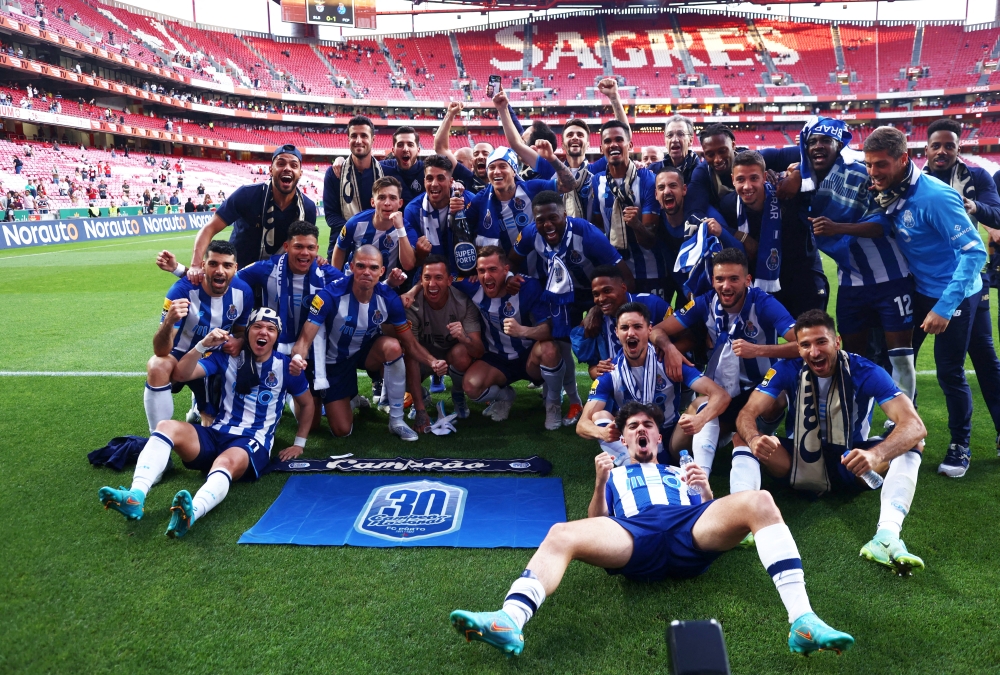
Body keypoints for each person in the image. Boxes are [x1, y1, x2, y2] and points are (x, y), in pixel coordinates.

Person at [450, 402, 855, 658]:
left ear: (658, 436)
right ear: (624, 439)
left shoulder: (679, 470)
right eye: (632, 426)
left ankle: (803, 620)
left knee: (760, 501)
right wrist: (598, 484)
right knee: (560, 533)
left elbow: (712, 518)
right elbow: (597, 520)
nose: (640, 429)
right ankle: (509, 620)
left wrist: (705, 490)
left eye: (647, 425)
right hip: (633, 533)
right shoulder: (613, 474)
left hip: (687, 528)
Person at [736, 310, 927, 574]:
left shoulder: (866, 371)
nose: (814, 352)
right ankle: (739, 519)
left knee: (913, 443)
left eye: (821, 342)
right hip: (798, 460)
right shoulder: (785, 368)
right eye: (805, 345)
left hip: (851, 462)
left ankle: (887, 536)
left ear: (837, 342)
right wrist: (755, 438)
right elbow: (747, 413)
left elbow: (915, 426)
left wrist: (876, 455)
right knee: (742, 437)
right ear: (798, 348)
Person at [98, 308, 314, 538]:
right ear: (247, 332)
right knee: (165, 427)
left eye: (271, 329)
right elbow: (181, 375)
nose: (263, 332)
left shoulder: (287, 367)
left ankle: (191, 514)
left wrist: (299, 444)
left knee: (225, 461)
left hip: (253, 440)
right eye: (258, 327)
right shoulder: (227, 356)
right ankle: (135, 496)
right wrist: (202, 346)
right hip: (216, 433)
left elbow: (308, 404)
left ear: (277, 336)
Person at [861, 126, 1000, 478]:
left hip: (955, 293)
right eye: (869, 164)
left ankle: (960, 445)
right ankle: (904, 428)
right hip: (920, 290)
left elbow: (974, 253)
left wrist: (944, 306)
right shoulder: (891, 189)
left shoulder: (935, 197)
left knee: (949, 370)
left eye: (881, 164)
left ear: (903, 159)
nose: (873, 172)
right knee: (900, 361)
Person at [780, 117, 916, 402]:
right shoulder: (805, 177)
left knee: (901, 356)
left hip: (891, 277)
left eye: (825, 141)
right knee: (852, 357)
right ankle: (858, 418)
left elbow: (882, 224)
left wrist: (837, 227)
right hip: (851, 281)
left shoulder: (860, 172)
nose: (818, 146)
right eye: (812, 142)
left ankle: (905, 421)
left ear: (838, 145)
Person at [652, 248, 797, 478]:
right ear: (712, 280)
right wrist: (670, 349)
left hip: (759, 388)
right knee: (676, 449)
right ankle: (727, 434)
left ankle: (758, 436)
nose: (726, 286)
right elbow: (657, 330)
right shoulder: (704, 302)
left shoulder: (764, 303)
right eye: (720, 279)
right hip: (720, 391)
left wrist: (758, 350)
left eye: (733, 279)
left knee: (777, 400)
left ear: (747, 280)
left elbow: (803, 344)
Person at [292, 245, 445, 442]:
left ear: (381, 271)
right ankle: (299, 398)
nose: (366, 272)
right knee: (332, 428)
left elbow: (410, 343)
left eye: (373, 267)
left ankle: (396, 420)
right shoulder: (330, 295)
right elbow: (304, 340)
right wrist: (297, 359)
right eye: (361, 266)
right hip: (329, 361)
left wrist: (432, 361)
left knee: (393, 346)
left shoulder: (388, 298)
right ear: (351, 267)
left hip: (360, 353)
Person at [511, 190, 634, 425]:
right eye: (540, 220)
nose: (547, 225)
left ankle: (617, 392)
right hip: (562, 293)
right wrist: (510, 277)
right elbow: (512, 260)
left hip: (595, 293)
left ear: (565, 215)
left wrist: (600, 307)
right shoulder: (529, 234)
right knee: (560, 342)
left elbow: (625, 276)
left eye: (553, 218)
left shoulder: (587, 234)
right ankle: (572, 401)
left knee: (599, 341)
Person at [577, 302, 729, 465]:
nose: (631, 333)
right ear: (617, 332)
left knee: (703, 402)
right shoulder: (610, 373)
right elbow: (582, 425)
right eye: (624, 328)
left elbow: (720, 395)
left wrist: (700, 419)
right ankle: (631, 464)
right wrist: (602, 433)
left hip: (672, 438)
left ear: (649, 330)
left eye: (637, 327)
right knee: (599, 416)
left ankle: (702, 473)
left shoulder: (668, 362)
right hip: (634, 438)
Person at [144, 240, 253, 436]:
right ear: (203, 265)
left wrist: (239, 341)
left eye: (227, 265)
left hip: (214, 356)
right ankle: (157, 437)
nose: (220, 271)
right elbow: (160, 350)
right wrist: (168, 322)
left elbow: (239, 332)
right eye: (213, 264)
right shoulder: (180, 291)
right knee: (157, 365)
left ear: (235, 268)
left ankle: (202, 406)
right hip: (180, 354)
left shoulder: (243, 292)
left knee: (213, 425)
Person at [454, 246, 566, 429]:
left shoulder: (527, 286)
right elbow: (442, 277)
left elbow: (548, 330)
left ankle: (553, 404)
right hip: (496, 358)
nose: (486, 276)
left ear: (506, 270)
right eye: (481, 270)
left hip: (528, 357)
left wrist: (522, 331)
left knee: (549, 349)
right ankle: (505, 396)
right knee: (471, 387)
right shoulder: (472, 286)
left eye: (493, 269)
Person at [718, 150, 828, 320]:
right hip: (763, 285)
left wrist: (798, 172)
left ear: (764, 177)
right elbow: (716, 226)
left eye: (754, 178)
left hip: (804, 279)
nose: (747, 186)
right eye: (740, 179)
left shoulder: (787, 193)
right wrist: (741, 236)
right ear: (732, 179)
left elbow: (821, 165)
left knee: (811, 333)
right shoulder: (728, 206)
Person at [188, 145, 316, 273]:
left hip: (279, 278)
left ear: (300, 173)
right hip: (238, 275)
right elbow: (209, 228)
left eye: (294, 165)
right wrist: (195, 265)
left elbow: (305, 247)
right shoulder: (246, 195)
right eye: (281, 164)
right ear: (271, 170)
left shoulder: (307, 208)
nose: (287, 168)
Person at [402, 255, 484, 431]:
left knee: (463, 353)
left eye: (438, 278)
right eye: (427, 277)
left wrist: (463, 337)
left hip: (451, 356)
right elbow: (411, 349)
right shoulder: (412, 304)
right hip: (424, 357)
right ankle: (420, 400)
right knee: (400, 366)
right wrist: (432, 362)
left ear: (449, 280)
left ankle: (458, 393)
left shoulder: (463, 302)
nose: (432, 284)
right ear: (421, 280)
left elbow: (478, 350)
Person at [589, 120, 663, 295]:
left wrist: (636, 225)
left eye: (619, 139)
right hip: (616, 272)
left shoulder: (648, 180)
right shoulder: (597, 181)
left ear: (629, 145)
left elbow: (650, 240)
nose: (613, 144)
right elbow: (599, 226)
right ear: (601, 148)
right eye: (607, 141)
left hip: (649, 271)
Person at [655, 165, 740, 305]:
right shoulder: (659, 224)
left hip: (722, 289)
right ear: (656, 194)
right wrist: (687, 292)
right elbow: (673, 265)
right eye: (661, 187)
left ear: (684, 190)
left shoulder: (706, 216)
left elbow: (739, 253)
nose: (667, 191)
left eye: (673, 186)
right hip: (692, 294)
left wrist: (722, 233)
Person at [686, 124, 799, 217]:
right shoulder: (702, 173)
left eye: (722, 151)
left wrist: (797, 174)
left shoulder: (758, 159)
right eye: (710, 154)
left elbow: (804, 153)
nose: (717, 160)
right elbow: (694, 211)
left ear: (733, 145)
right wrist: (735, 234)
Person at [332, 176, 417, 281]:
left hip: (385, 286)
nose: (387, 203)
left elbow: (408, 265)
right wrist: (336, 278)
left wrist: (400, 229)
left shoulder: (406, 229)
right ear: (373, 202)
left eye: (393, 198)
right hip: (353, 282)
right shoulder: (356, 222)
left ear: (400, 203)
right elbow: (340, 247)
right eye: (381, 198)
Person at [402, 154, 469, 275]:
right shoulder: (413, 210)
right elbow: (413, 262)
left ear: (451, 182)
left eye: (440, 178)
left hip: (466, 273)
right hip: (430, 274)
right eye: (429, 178)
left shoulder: (468, 201)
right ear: (424, 182)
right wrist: (420, 254)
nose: (434, 184)